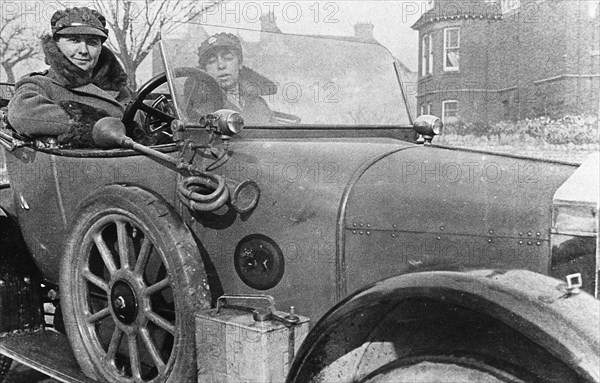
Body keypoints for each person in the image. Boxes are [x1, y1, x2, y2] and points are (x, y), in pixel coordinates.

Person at [7, 7, 132, 148]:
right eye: (74, 40)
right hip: (80, 166)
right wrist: (91, 126)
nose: (83, 50)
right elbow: (22, 113)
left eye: (92, 42)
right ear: (57, 44)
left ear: (100, 47)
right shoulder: (40, 84)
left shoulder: (118, 88)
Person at [196, 33, 274, 125]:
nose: (221, 66)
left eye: (228, 58)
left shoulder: (259, 103)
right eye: (212, 61)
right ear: (205, 70)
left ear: (240, 63)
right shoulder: (200, 110)